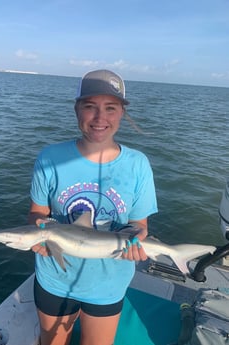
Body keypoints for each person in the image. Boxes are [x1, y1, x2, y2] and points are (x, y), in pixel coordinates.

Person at [28, 69, 158, 345]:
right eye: (90, 107)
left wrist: (135, 238)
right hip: (54, 279)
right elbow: (38, 212)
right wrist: (38, 230)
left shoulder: (138, 164)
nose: (100, 118)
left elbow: (140, 225)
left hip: (109, 281)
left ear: (122, 112)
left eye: (110, 108)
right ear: (77, 110)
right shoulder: (49, 158)